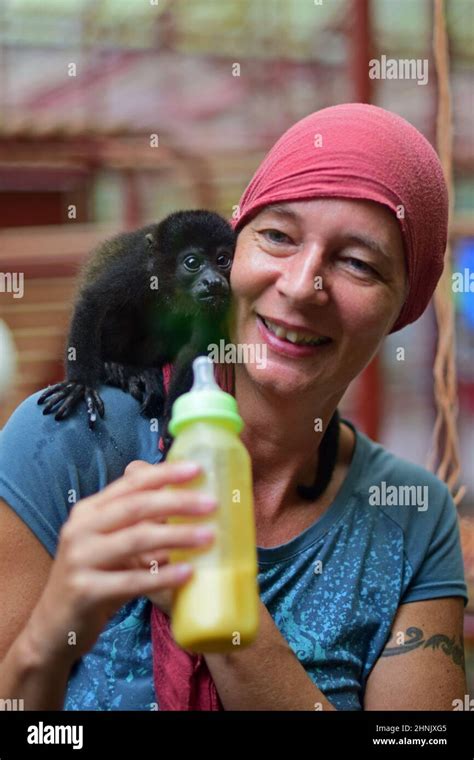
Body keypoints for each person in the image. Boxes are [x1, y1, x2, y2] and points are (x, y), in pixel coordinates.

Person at [0, 103, 468, 711]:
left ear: (405, 306)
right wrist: (52, 629)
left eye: (358, 262)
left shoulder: (414, 518)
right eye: (277, 236)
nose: (301, 286)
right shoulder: (68, 440)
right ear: (237, 247)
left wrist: (229, 620)